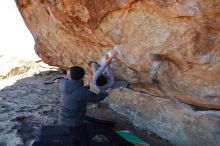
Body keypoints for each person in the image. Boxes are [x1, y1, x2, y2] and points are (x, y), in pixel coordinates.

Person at [58, 66, 109, 146]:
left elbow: (75, 90)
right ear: (82, 77)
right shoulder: (82, 92)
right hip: (73, 123)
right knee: (86, 141)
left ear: (70, 75)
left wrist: (87, 87)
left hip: (63, 119)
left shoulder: (63, 83)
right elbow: (96, 98)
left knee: (76, 137)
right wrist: (106, 92)